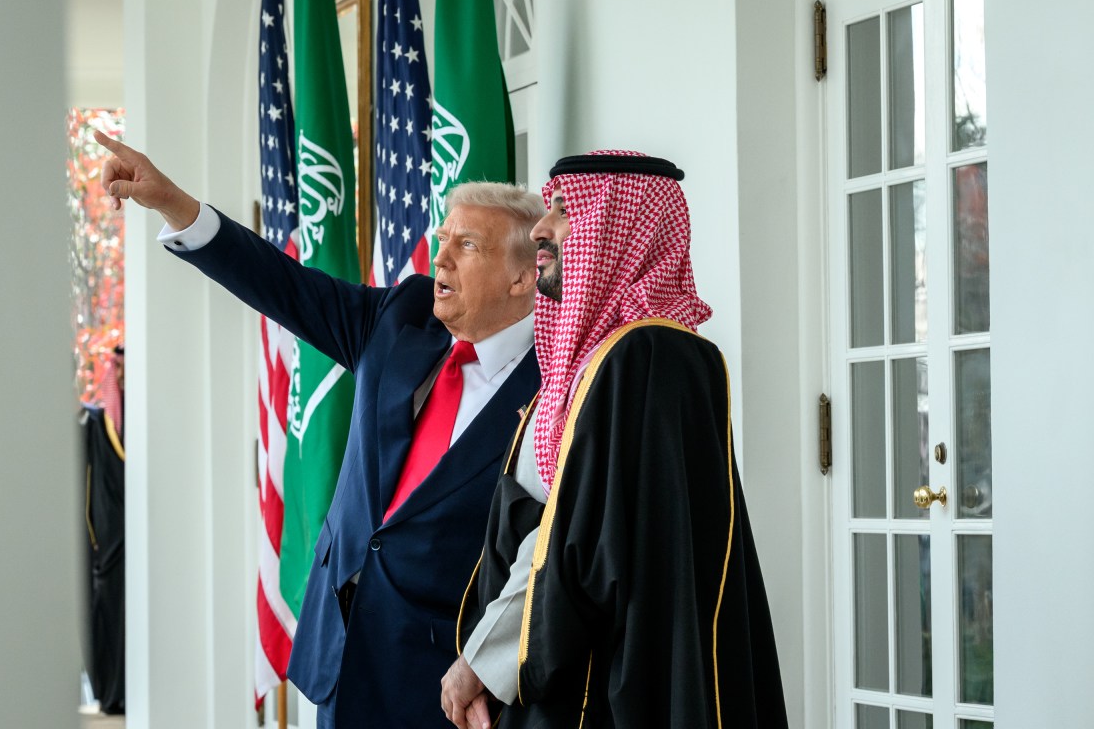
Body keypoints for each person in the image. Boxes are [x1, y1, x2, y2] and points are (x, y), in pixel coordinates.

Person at [94, 131, 544, 728]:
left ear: (522, 278)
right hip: (336, 651)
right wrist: (176, 203)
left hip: (442, 687)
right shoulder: (401, 319)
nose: (441, 259)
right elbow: (282, 285)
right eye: (442, 240)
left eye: (466, 246)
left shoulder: (554, 385)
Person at [442, 151, 788, 728]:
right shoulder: (594, 366)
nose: (541, 229)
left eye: (562, 211)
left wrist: (482, 663)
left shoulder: (648, 358)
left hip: (603, 692)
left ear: (621, 230)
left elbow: (578, 542)